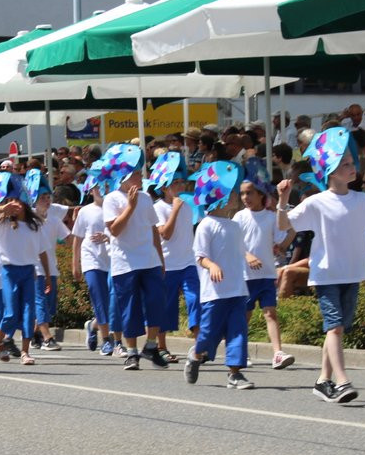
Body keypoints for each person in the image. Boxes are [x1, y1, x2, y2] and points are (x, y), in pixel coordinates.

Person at [278, 128, 365, 404]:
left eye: (351, 162)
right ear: (331, 172)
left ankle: (323, 381)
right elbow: (284, 224)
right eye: (345, 164)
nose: (353, 167)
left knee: (336, 329)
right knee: (334, 327)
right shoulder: (316, 202)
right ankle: (343, 381)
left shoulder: (361, 200)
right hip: (326, 275)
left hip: (353, 272)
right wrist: (282, 201)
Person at [99, 144, 170, 371]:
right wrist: (129, 207)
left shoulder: (146, 198)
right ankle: (131, 351)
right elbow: (115, 230)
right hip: (125, 262)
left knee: (157, 303)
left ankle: (150, 346)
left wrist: (161, 259)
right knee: (130, 309)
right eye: (137, 173)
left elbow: (153, 229)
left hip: (149, 260)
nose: (141, 176)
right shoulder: (111, 199)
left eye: (140, 173)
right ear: (125, 176)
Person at [185, 161, 253, 389]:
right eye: (231, 193)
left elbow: (238, 251)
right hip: (214, 293)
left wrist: (249, 257)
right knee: (208, 335)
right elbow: (199, 255)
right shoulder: (206, 224)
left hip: (237, 290)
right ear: (220, 197)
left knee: (238, 331)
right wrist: (211, 265)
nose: (235, 196)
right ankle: (196, 354)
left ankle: (235, 373)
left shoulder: (235, 226)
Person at [0, 173, 49, 366]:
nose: (13, 204)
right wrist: (2, 208)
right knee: (11, 313)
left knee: (28, 313)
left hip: (28, 272)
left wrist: (47, 275)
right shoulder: (3, 222)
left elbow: (42, 252)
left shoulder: (35, 224)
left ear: (24, 201)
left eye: (16, 200)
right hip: (8, 272)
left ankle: (25, 351)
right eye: (10, 201)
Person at [234, 163, 293, 370]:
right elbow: (234, 244)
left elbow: (281, 240)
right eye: (242, 194)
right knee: (245, 315)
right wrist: (248, 255)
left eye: (249, 193)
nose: (245, 198)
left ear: (261, 194)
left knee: (270, 313)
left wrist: (289, 232)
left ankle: (277, 353)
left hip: (267, 274)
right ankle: (241, 350)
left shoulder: (270, 217)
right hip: (245, 276)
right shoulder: (239, 217)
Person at [146, 152, 198, 364]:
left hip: (189, 262)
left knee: (196, 300)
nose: (180, 186)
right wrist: (175, 210)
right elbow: (164, 234)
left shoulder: (189, 205)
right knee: (165, 307)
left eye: (181, 182)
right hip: (167, 264)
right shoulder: (158, 207)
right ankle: (161, 346)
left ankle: (198, 345)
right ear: (164, 186)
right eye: (175, 183)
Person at [72, 161, 117, 355]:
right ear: (90, 190)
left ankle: (94, 325)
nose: (101, 190)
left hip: (113, 260)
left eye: (105, 186)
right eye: (97, 187)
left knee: (111, 302)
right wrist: (75, 263)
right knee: (99, 298)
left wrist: (107, 237)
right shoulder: (85, 211)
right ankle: (106, 340)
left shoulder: (116, 209)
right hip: (92, 260)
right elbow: (77, 239)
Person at [29, 173, 71, 351]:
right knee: (40, 301)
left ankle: (34, 333)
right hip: (34, 267)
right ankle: (47, 337)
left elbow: (69, 238)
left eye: (48, 197)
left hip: (51, 268)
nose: (46, 200)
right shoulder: (28, 219)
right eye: (42, 198)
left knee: (49, 305)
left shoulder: (54, 219)